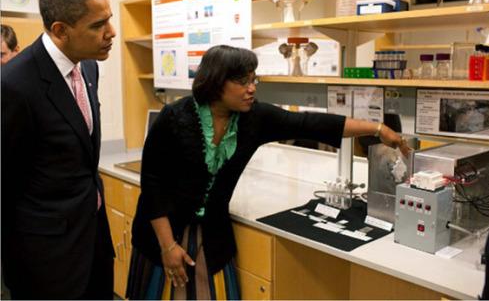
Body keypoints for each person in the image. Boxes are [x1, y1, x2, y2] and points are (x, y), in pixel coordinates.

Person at [126, 45, 411, 299]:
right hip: (161, 236)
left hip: (212, 236)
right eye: (242, 81)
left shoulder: (254, 118)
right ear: (215, 83)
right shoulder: (174, 118)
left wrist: (378, 129)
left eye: (254, 80)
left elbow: (309, 123)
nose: (252, 88)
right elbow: (153, 185)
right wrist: (167, 247)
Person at [1, 0, 116, 299]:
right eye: (98, 25)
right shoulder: (12, 85)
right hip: (46, 261)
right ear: (60, 30)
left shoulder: (89, 67)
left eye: (110, 19)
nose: (111, 33)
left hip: (93, 242)